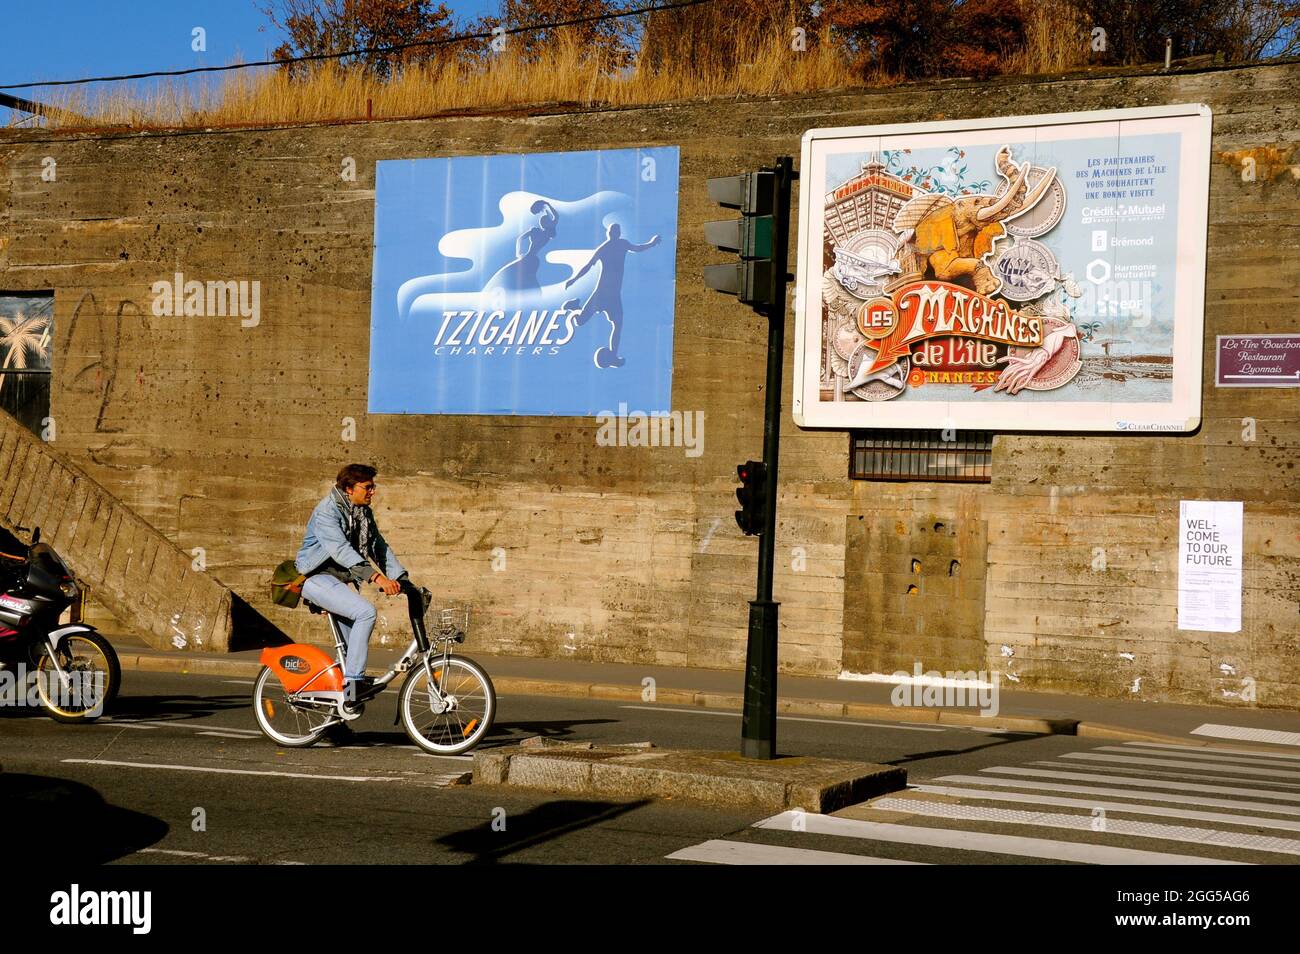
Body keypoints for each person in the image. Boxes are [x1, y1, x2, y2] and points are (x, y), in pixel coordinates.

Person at [295, 464, 407, 705]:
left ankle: (340, 712)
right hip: (315, 578)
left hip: (339, 583)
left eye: (373, 487)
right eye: (367, 487)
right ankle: (353, 683)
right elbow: (341, 550)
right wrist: (377, 578)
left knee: (348, 653)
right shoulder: (327, 511)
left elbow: (378, 546)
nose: (372, 492)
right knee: (366, 613)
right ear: (348, 488)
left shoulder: (362, 513)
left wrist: (402, 579)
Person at [562, 222, 660, 368]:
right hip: (601, 293)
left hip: (614, 296)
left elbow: (637, 248)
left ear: (619, 233)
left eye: (617, 231)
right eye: (612, 231)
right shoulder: (604, 249)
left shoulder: (623, 244)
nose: (614, 233)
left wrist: (651, 244)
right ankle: (574, 306)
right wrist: (574, 279)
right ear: (608, 233)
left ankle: (613, 356)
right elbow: (588, 266)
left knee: (618, 325)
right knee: (579, 321)